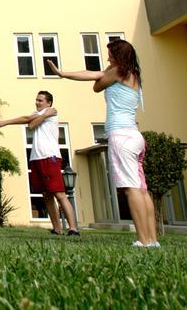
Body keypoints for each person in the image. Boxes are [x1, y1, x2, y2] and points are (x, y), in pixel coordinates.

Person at [47, 40, 158, 247]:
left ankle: (143, 240)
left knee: (131, 189)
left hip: (121, 136)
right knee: (142, 189)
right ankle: (152, 239)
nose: (107, 58)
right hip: (135, 136)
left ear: (117, 56)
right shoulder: (132, 74)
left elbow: (96, 86)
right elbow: (92, 74)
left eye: (110, 54)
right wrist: (63, 74)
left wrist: (67, 74)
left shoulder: (116, 72)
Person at [0, 91, 80, 235]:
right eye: (36, 100)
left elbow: (30, 122)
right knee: (46, 194)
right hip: (36, 158)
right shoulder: (41, 113)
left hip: (50, 157)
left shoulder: (52, 113)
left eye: (40, 100)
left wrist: (6, 122)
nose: (37, 102)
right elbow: (31, 123)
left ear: (49, 103)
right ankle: (57, 228)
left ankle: (73, 228)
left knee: (59, 194)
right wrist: (42, 117)